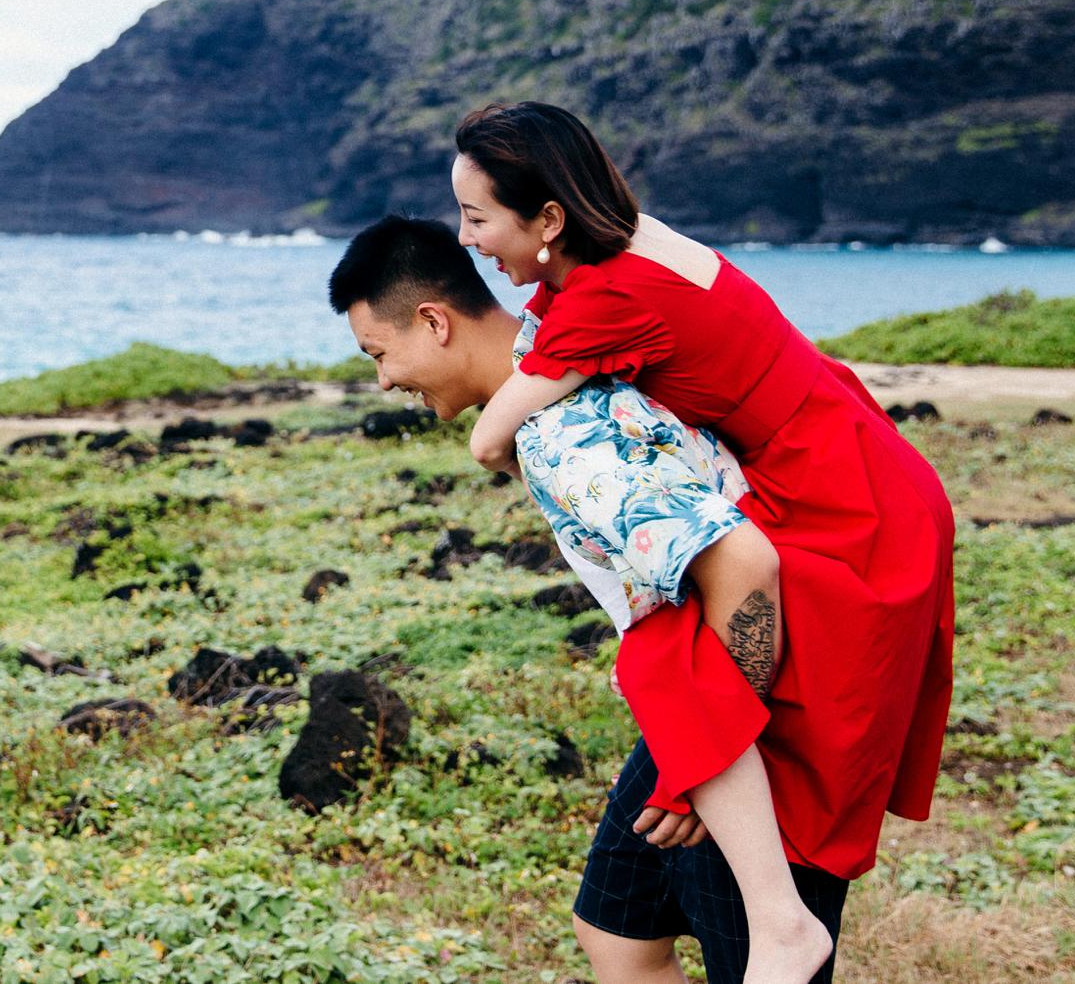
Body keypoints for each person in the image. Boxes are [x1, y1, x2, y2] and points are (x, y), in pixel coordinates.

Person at [456, 100, 955, 982]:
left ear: (548, 219)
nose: (468, 239)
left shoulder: (604, 298)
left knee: (691, 672)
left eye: (477, 216)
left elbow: (491, 438)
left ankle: (783, 924)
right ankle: (767, 908)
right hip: (843, 460)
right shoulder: (628, 245)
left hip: (841, 499)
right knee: (630, 901)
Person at [329, 217, 846, 984]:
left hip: (758, 692)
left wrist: (714, 744)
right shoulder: (549, 342)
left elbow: (743, 562)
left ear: (434, 322)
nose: (384, 383)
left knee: (770, 960)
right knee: (618, 929)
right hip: (697, 695)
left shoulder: (560, 436)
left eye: (380, 354)